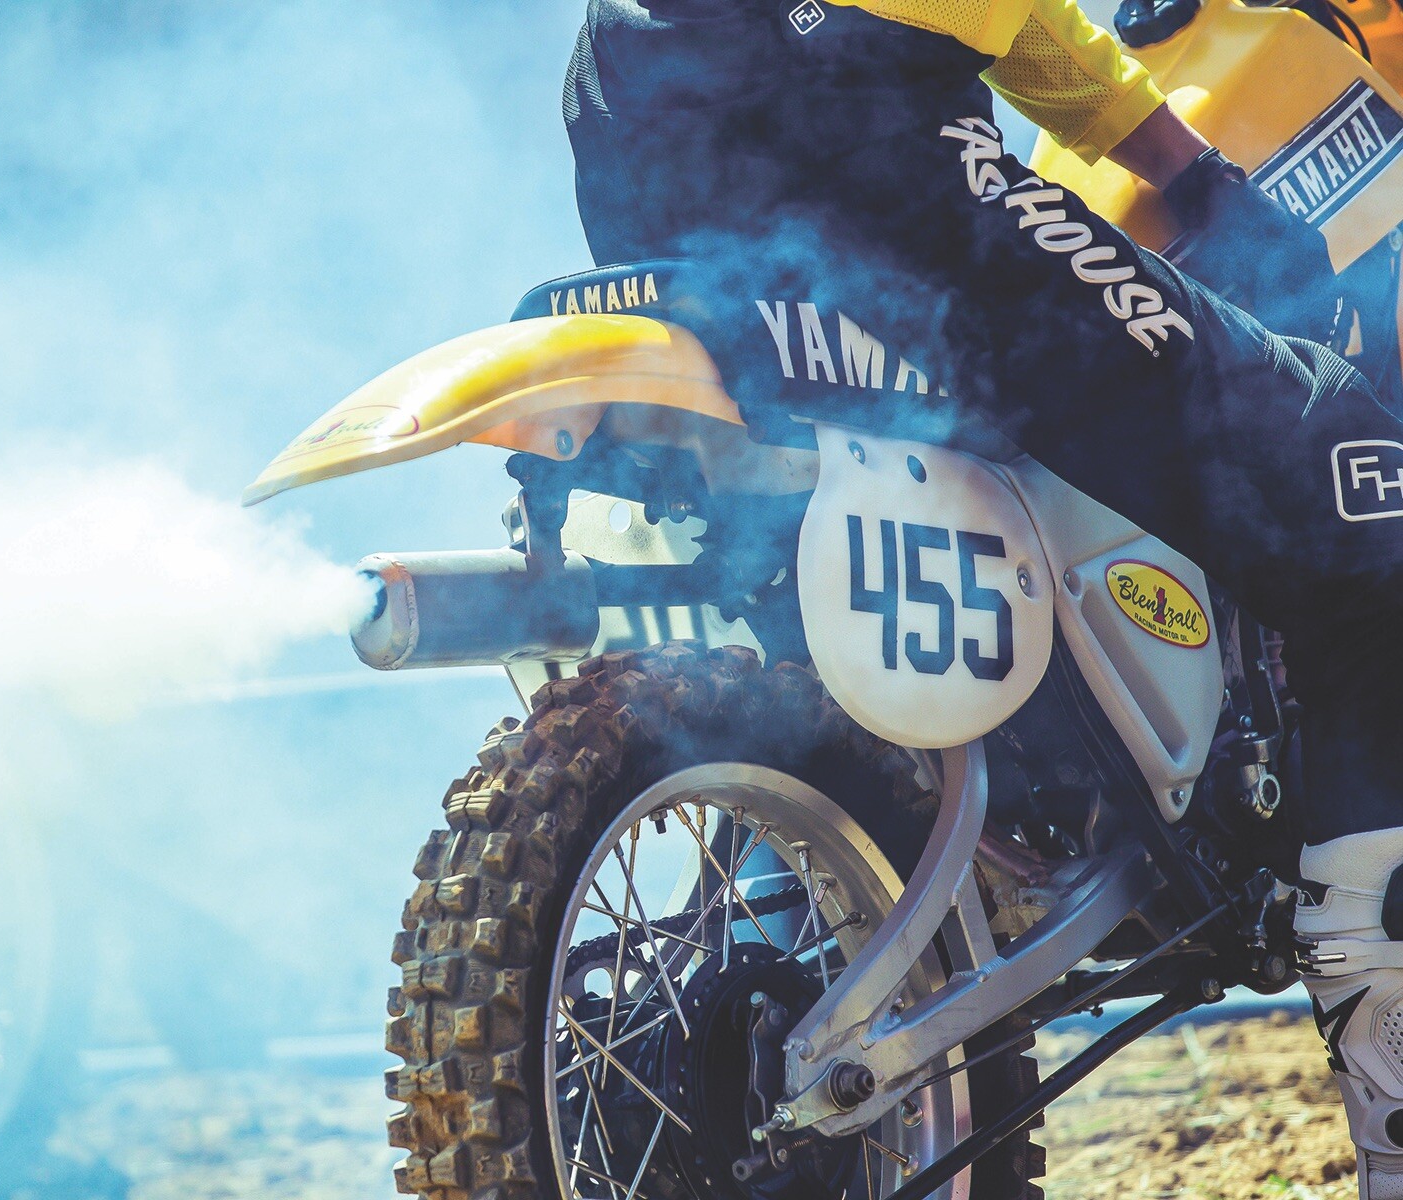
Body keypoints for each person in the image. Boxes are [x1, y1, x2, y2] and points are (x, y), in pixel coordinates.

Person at [559, 2, 1403, 1195]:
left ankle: (843, 870)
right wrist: (1191, 171)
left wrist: (1175, 158)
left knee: (871, 543)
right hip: (851, 134)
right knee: (1362, 518)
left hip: (632, 130)